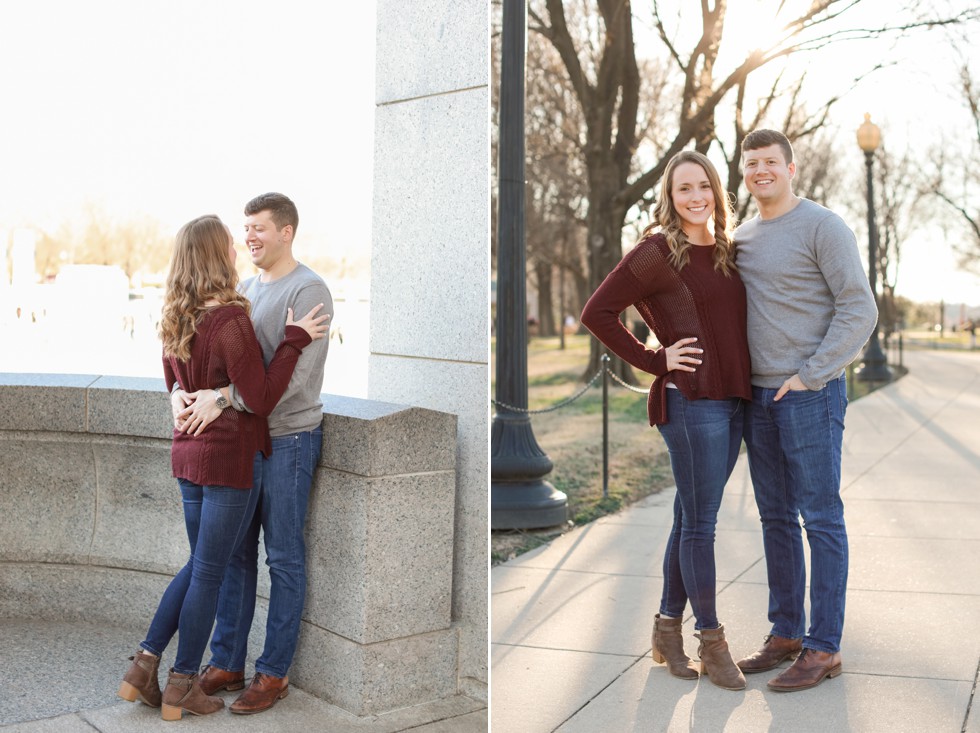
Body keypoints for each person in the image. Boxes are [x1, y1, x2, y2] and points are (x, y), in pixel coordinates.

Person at [117, 214, 328, 720]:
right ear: (217, 255)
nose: (239, 248)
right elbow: (258, 396)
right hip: (228, 457)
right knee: (208, 569)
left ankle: (144, 666)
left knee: (200, 565)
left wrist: (180, 396)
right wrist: (295, 341)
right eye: (231, 243)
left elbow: (172, 376)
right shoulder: (231, 318)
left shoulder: (175, 314)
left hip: (186, 454)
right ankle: (181, 685)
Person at [581, 150, 752, 691]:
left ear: (716, 193)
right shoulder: (657, 251)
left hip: (732, 401)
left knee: (689, 518)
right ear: (670, 196)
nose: (696, 196)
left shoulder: (727, 250)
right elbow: (597, 313)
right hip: (690, 403)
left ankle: (666, 631)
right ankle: (713, 641)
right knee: (701, 525)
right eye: (684, 189)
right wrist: (657, 360)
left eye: (704, 186)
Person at [170, 192, 333, 714]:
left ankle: (273, 671)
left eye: (260, 227)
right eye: (246, 229)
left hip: (289, 438)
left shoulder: (309, 289)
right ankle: (227, 659)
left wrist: (221, 399)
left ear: (286, 231)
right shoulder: (241, 288)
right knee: (233, 555)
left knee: (282, 555)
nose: (251, 237)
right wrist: (201, 394)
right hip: (244, 442)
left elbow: (291, 382)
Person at [733, 129, 877, 692]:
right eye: (751, 163)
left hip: (810, 395)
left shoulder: (823, 226)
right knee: (774, 519)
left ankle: (824, 647)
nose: (760, 170)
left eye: (770, 161)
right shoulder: (741, 236)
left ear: (791, 168)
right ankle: (786, 633)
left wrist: (810, 374)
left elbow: (858, 307)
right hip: (758, 398)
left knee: (820, 518)